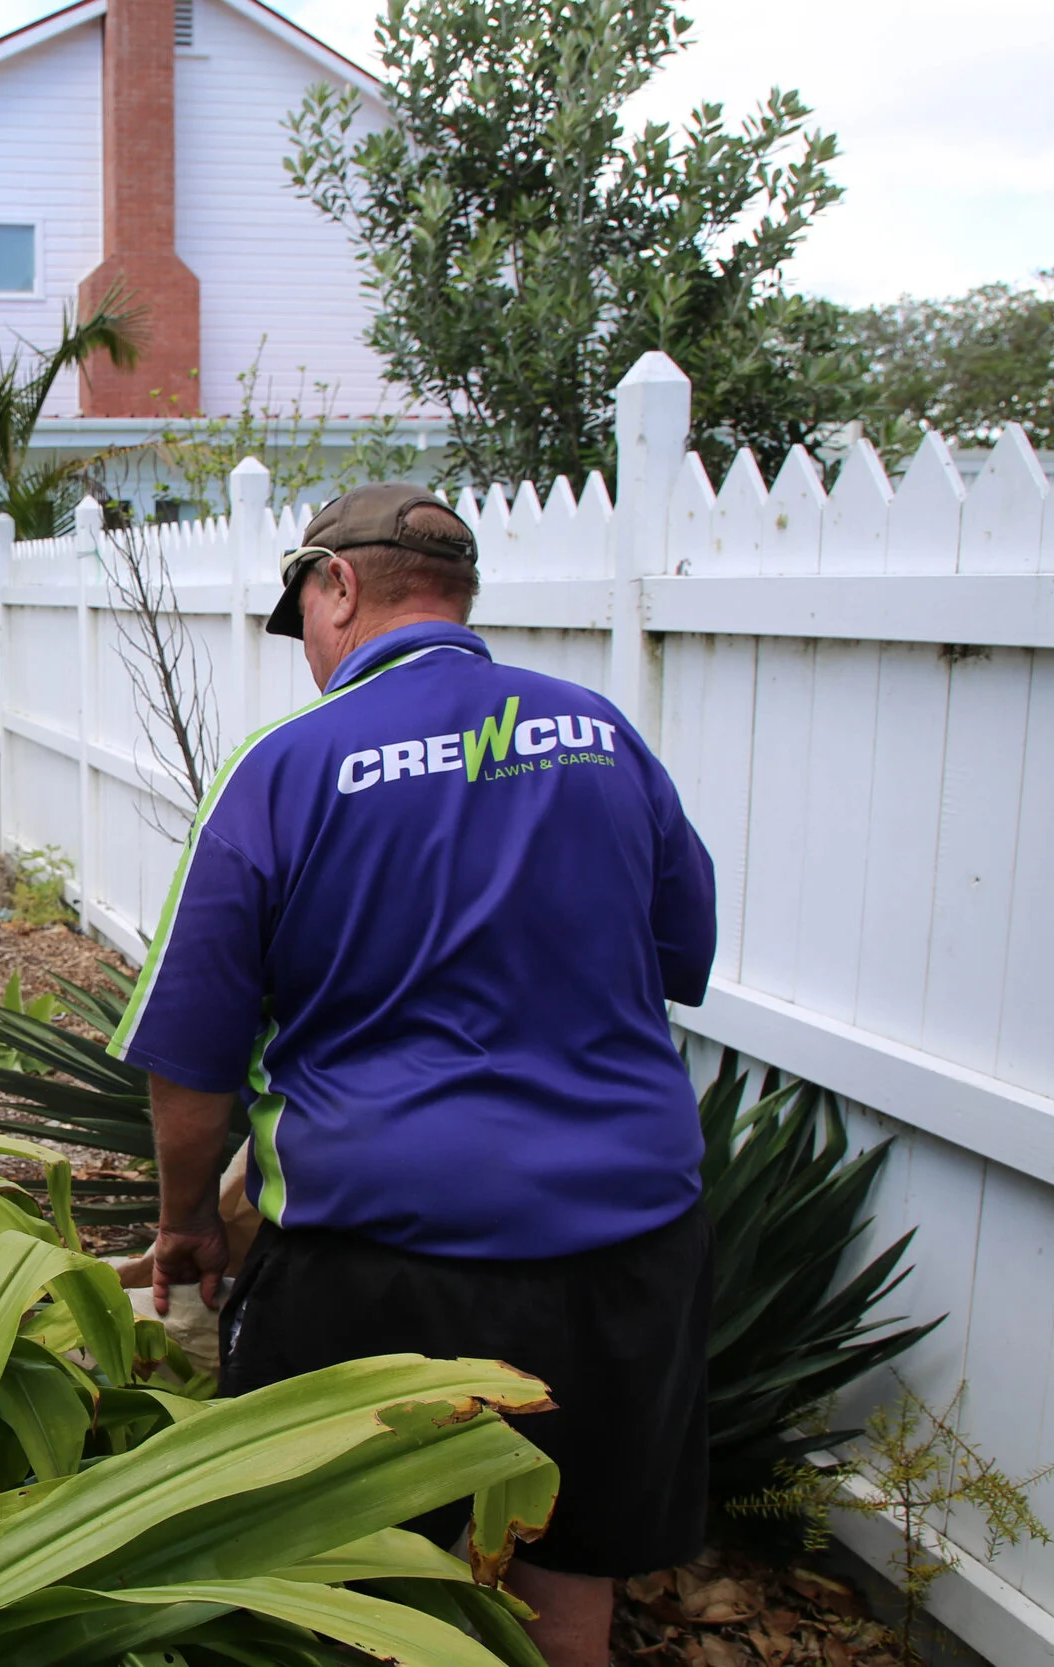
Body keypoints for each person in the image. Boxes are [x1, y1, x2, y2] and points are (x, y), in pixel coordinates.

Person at [109, 484, 717, 1667]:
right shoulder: (600, 733)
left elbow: (191, 1060)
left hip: (379, 1260)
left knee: (336, 1589)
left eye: (307, 620)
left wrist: (187, 1223)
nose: (310, 656)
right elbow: (678, 954)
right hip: (624, 1245)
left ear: (335, 584)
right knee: (567, 1588)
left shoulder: (284, 768)